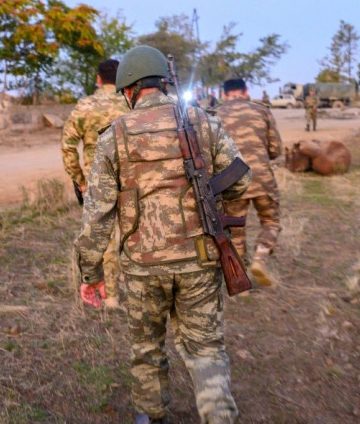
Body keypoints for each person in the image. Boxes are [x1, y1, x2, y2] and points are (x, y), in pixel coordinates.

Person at [75, 45, 251, 424]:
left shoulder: (114, 136)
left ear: (128, 90)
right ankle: (218, 416)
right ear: (165, 82)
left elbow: (96, 217)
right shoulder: (203, 120)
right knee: (206, 349)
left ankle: (152, 416)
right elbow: (241, 181)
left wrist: (91, 275)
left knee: (146, 348)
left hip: (142, 269)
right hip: (200, 261)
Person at [61, 59, 129, 308]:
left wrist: (79, 179)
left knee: (107, 238)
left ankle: (111, 296)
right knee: (134, 234)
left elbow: (67, 145)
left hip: (97, 181)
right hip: (132, 180)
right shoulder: (132, 103)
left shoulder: (85, 106)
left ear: (98, 79)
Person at [214, 78, 282, 287]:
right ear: (246, 92)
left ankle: (239, 276)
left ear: (223, 95)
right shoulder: (262, 111)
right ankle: (260, 258)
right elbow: (275, 150)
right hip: (262, 178)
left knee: (235, 229)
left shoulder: (214, 115)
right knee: (271, 222)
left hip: (231, 181)